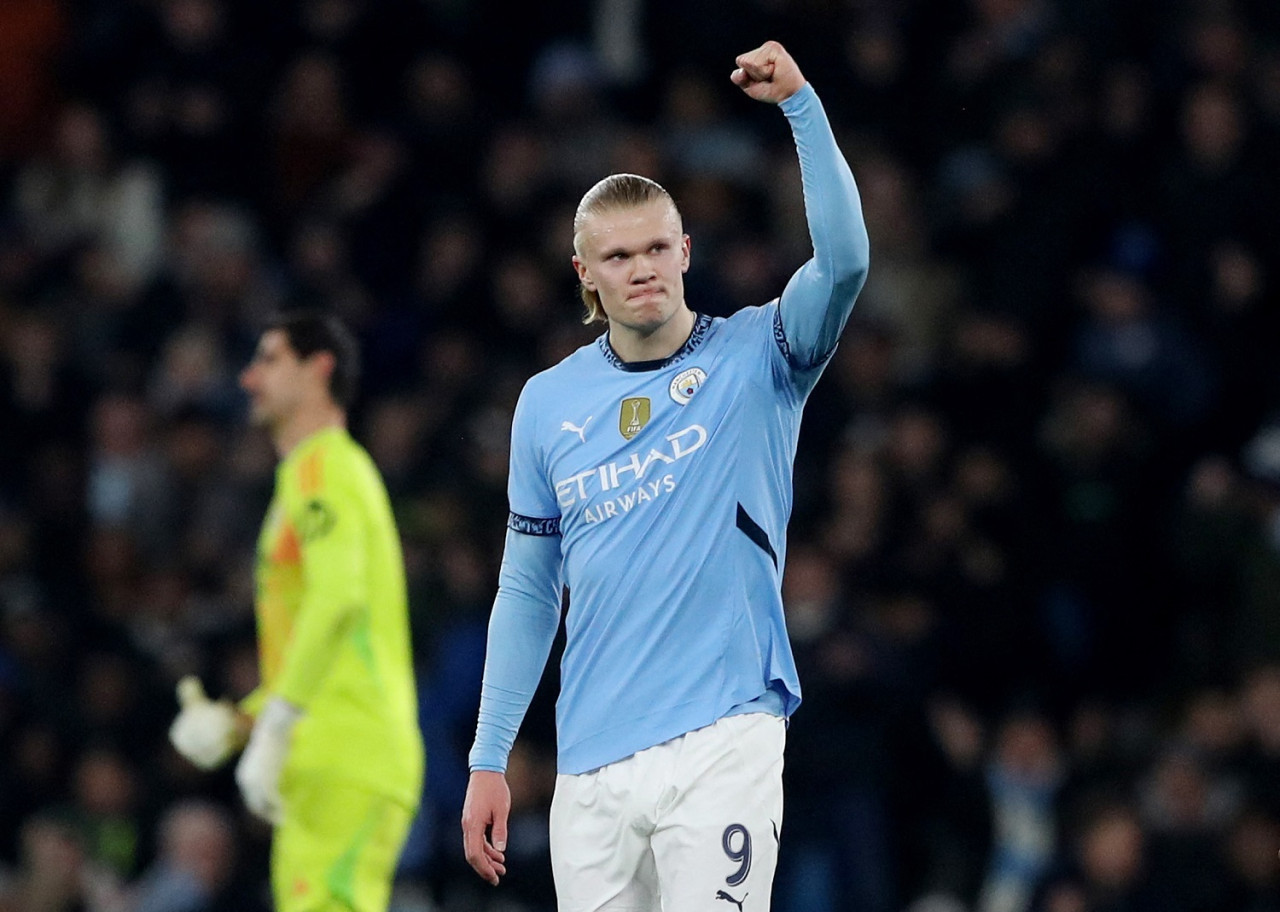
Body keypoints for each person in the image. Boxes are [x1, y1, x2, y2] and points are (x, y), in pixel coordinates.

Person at [462, 41, 870, 911]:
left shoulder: (760, 356)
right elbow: (530, 590)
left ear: (686, 251)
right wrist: (490, 755)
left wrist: (801, 104)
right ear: (586, 277)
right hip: (592, 762)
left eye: (656, 248)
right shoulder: (546, 405)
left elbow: (844, 265)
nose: (641, 269)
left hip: (724, 736)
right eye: (617, 258)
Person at [168, 311, 424, 912]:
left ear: (319, 370)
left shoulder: (324, 467)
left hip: (346, 754)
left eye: (269, 360)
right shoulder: (305, 479)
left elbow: (339, 601)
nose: (248, 378)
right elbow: (325, 638)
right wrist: (241, 724)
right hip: (324, 758)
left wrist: (275, 728)